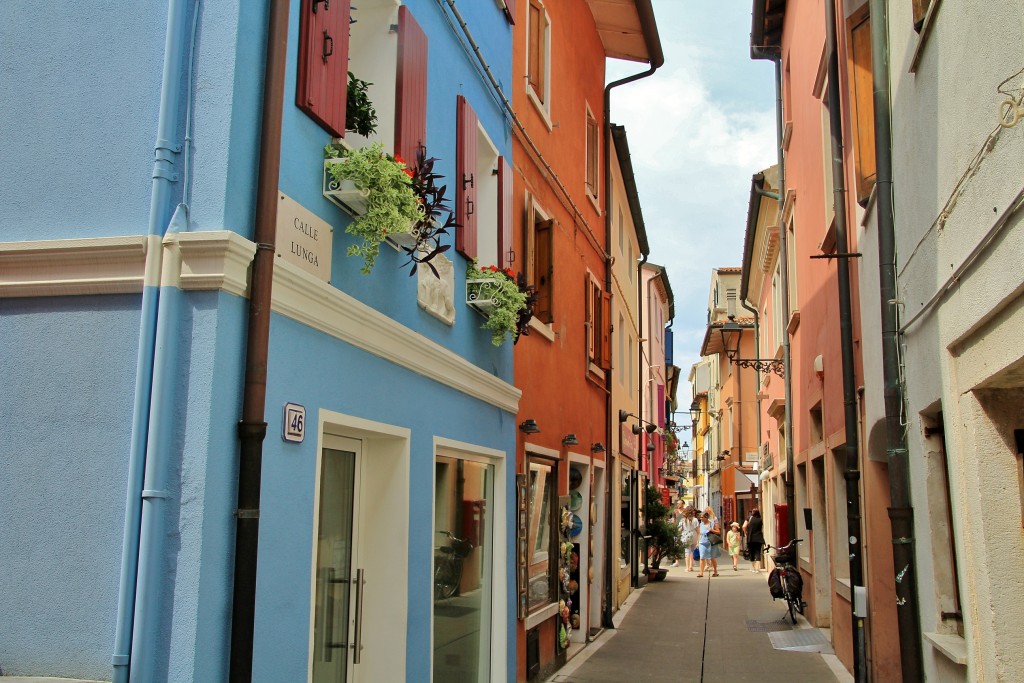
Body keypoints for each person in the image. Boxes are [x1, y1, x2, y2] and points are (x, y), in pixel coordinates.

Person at [697, 507, 721, 577]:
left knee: (712, 557)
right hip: (702, 542)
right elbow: (699, 533)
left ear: (706, 517)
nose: (701, 519)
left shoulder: (712, 523)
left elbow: (718, 531)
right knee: (702, 557)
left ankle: (715, 571)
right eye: (700, 517)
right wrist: (698, 542)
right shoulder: (701, 524)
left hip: (711, 542)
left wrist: (711, 530)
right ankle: (701, 573)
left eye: (702, 517)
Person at [677, 506, 700, 572]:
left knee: (687, 552)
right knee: (692, 551)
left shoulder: (683, 520)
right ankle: (691, 567)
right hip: (694, 536)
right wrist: (698, 541)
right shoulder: (695, 520)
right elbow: (698, 531)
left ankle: (687, 567)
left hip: (686, 536)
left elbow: (679, 529)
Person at [743, 508, 765, 573]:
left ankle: (753, 568)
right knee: (758, 552)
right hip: (759, 538)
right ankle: (758, 569)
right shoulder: (760, 520)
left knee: (751, 553)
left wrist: (745, 532)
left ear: (752, 512)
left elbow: (744, 526)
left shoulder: (749, 518)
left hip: (751, 538)